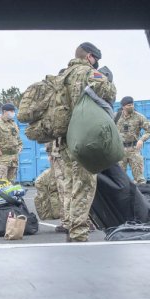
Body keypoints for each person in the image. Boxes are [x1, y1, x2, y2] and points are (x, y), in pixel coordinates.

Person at [57, 42, 116, 242]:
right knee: (84, 186)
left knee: (69, 185)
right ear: (90, 57)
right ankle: (79, 233)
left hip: (63, 142)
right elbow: (109, 92)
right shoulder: (88, 73)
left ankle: (71, 227)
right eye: (96, 60)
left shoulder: (61, 76)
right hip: (83, 138)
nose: (96, 64)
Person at [115, 96, 150, 184]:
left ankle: (143, 196)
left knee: (140, 178)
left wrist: (141, 140)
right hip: (120, 150)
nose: (131, 106)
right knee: (119, 178)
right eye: (129, 105)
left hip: (134, 149)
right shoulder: (116, 116)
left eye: (132, 104)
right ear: (123, 106)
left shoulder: (139, 117)